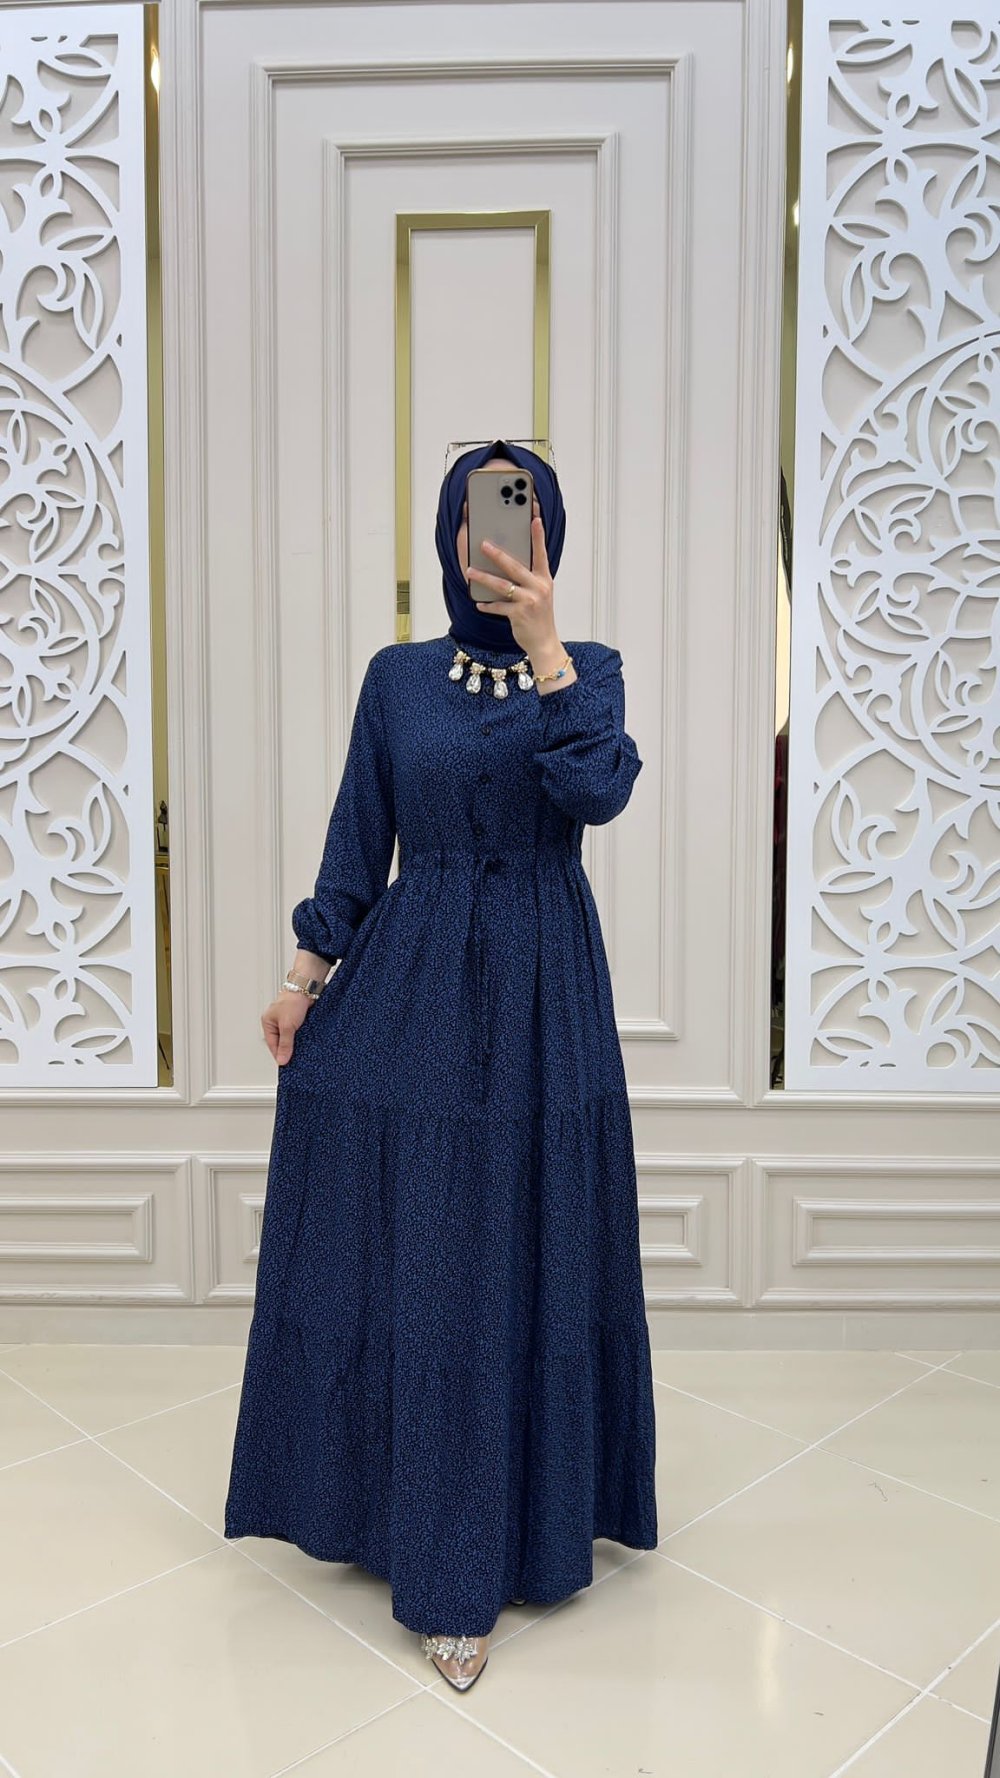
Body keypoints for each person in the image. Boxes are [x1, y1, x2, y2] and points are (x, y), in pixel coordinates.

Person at [223, 437, 658, 1692]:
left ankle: (514, 1525)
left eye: (518, 514)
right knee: (429, 1256)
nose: (494, 537)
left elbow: (598, 791)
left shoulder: (587, 669)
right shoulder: (397, 676)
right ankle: (411, 1525)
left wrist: (546, 646)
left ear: (547, 533)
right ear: (446, 531)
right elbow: (358, 834)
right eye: (477, 513)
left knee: (519, 1246)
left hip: (543, 986)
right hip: (414, 977)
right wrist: (304, 977)